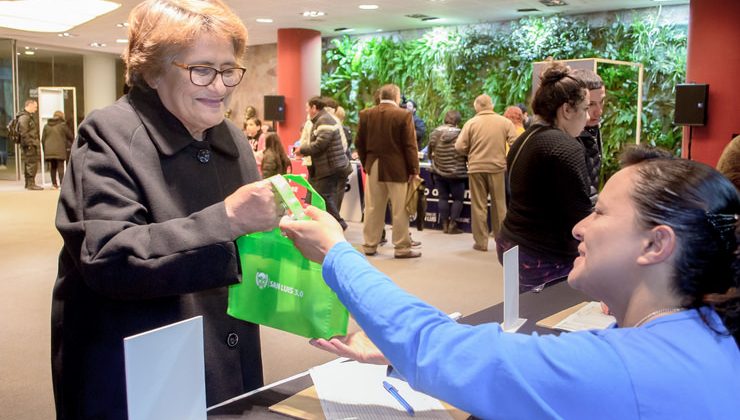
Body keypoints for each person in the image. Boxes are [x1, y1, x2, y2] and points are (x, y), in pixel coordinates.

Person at [279, 145, 740, 419]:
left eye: (599, 212)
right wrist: (397, 348)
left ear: (655, 245)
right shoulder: (701, 336)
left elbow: (431, 347)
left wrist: (335, 253)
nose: (580, 226)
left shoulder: (628, 368)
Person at [52, 1, 282, 418]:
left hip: (225, 346)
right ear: (153, 70)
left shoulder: (232, 139)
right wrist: (227, 220)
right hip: (141, 361)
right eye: (202, 70)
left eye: (228, 70)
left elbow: (246, 251)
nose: (220, 86)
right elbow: (108, 257)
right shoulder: (109, 134)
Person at [497, 63, 593, 292]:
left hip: (513, 240)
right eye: (586, 108)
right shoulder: (565, 147)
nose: (589, 117)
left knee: (521, 312)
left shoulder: (526, 138)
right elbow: (579, 216)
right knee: (547, 319)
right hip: (542, 253)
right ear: (567, 110)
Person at [356, 84, 421, 258]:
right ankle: (401, 248)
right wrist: (414, 169)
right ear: (396, 97)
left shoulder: (366, 114)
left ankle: (370, 245)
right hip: (397, 168)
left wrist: (366, 163)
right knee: (400, 209)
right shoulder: (403, 115)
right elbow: (410, 145)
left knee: (372, 208)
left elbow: (359, 143)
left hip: (374, 165)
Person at [454, 94, 518, 251]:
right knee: (499, 206)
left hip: (476, 168)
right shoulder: (504, 122)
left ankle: (481, 242)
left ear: (477, 107)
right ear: (492, 105)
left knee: (478, 206)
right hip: (497, 168)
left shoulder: (471, 123)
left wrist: (471, 151)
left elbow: (459, 146)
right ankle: (502, 242)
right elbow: (515, 143)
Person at [297, 96, 351, 230]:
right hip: (324, 167)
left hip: (329, 167)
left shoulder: (324, 120)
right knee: (319, 196)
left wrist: (302, 149)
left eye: (307, 107)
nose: (306, 110)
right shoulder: (322, 119)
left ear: (314, 107)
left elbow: (321, 144)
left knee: (324, 197)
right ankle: (320, 225)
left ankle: (339, 224)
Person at [428, 110, 466, 234]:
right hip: (457, 173)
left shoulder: (435, 133)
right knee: (458, 199)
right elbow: (465, 152)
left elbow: (429, 152)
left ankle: (444, 224)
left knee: (442, 197)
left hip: (438, 171)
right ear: (457, 121)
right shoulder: (461, 134)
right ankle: (452, 225)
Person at [573, 68, 606, 195]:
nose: (599, 111)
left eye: (601, 102)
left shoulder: (594, 128)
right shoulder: (565, 136)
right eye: (591, 104)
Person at [42, 110, 74, 189]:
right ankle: (62, 184)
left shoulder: (46, 126)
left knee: (53, 167)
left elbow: (43, 139)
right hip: (60, 149)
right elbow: (71, 137)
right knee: (60, 167)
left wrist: (45, 149)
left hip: (49, 150)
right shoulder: (63, 126)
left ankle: (54, 184)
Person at [18, 98, 42, 190]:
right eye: (35, 107)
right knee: (31, 163)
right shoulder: (25, 117)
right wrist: (29, 143)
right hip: (29, 144)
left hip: (30, 143)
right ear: (30, 105)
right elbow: (23, 132)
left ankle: (29, 183)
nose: (36, 109)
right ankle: (31, 184)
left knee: (30, 163)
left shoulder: (27, 116)